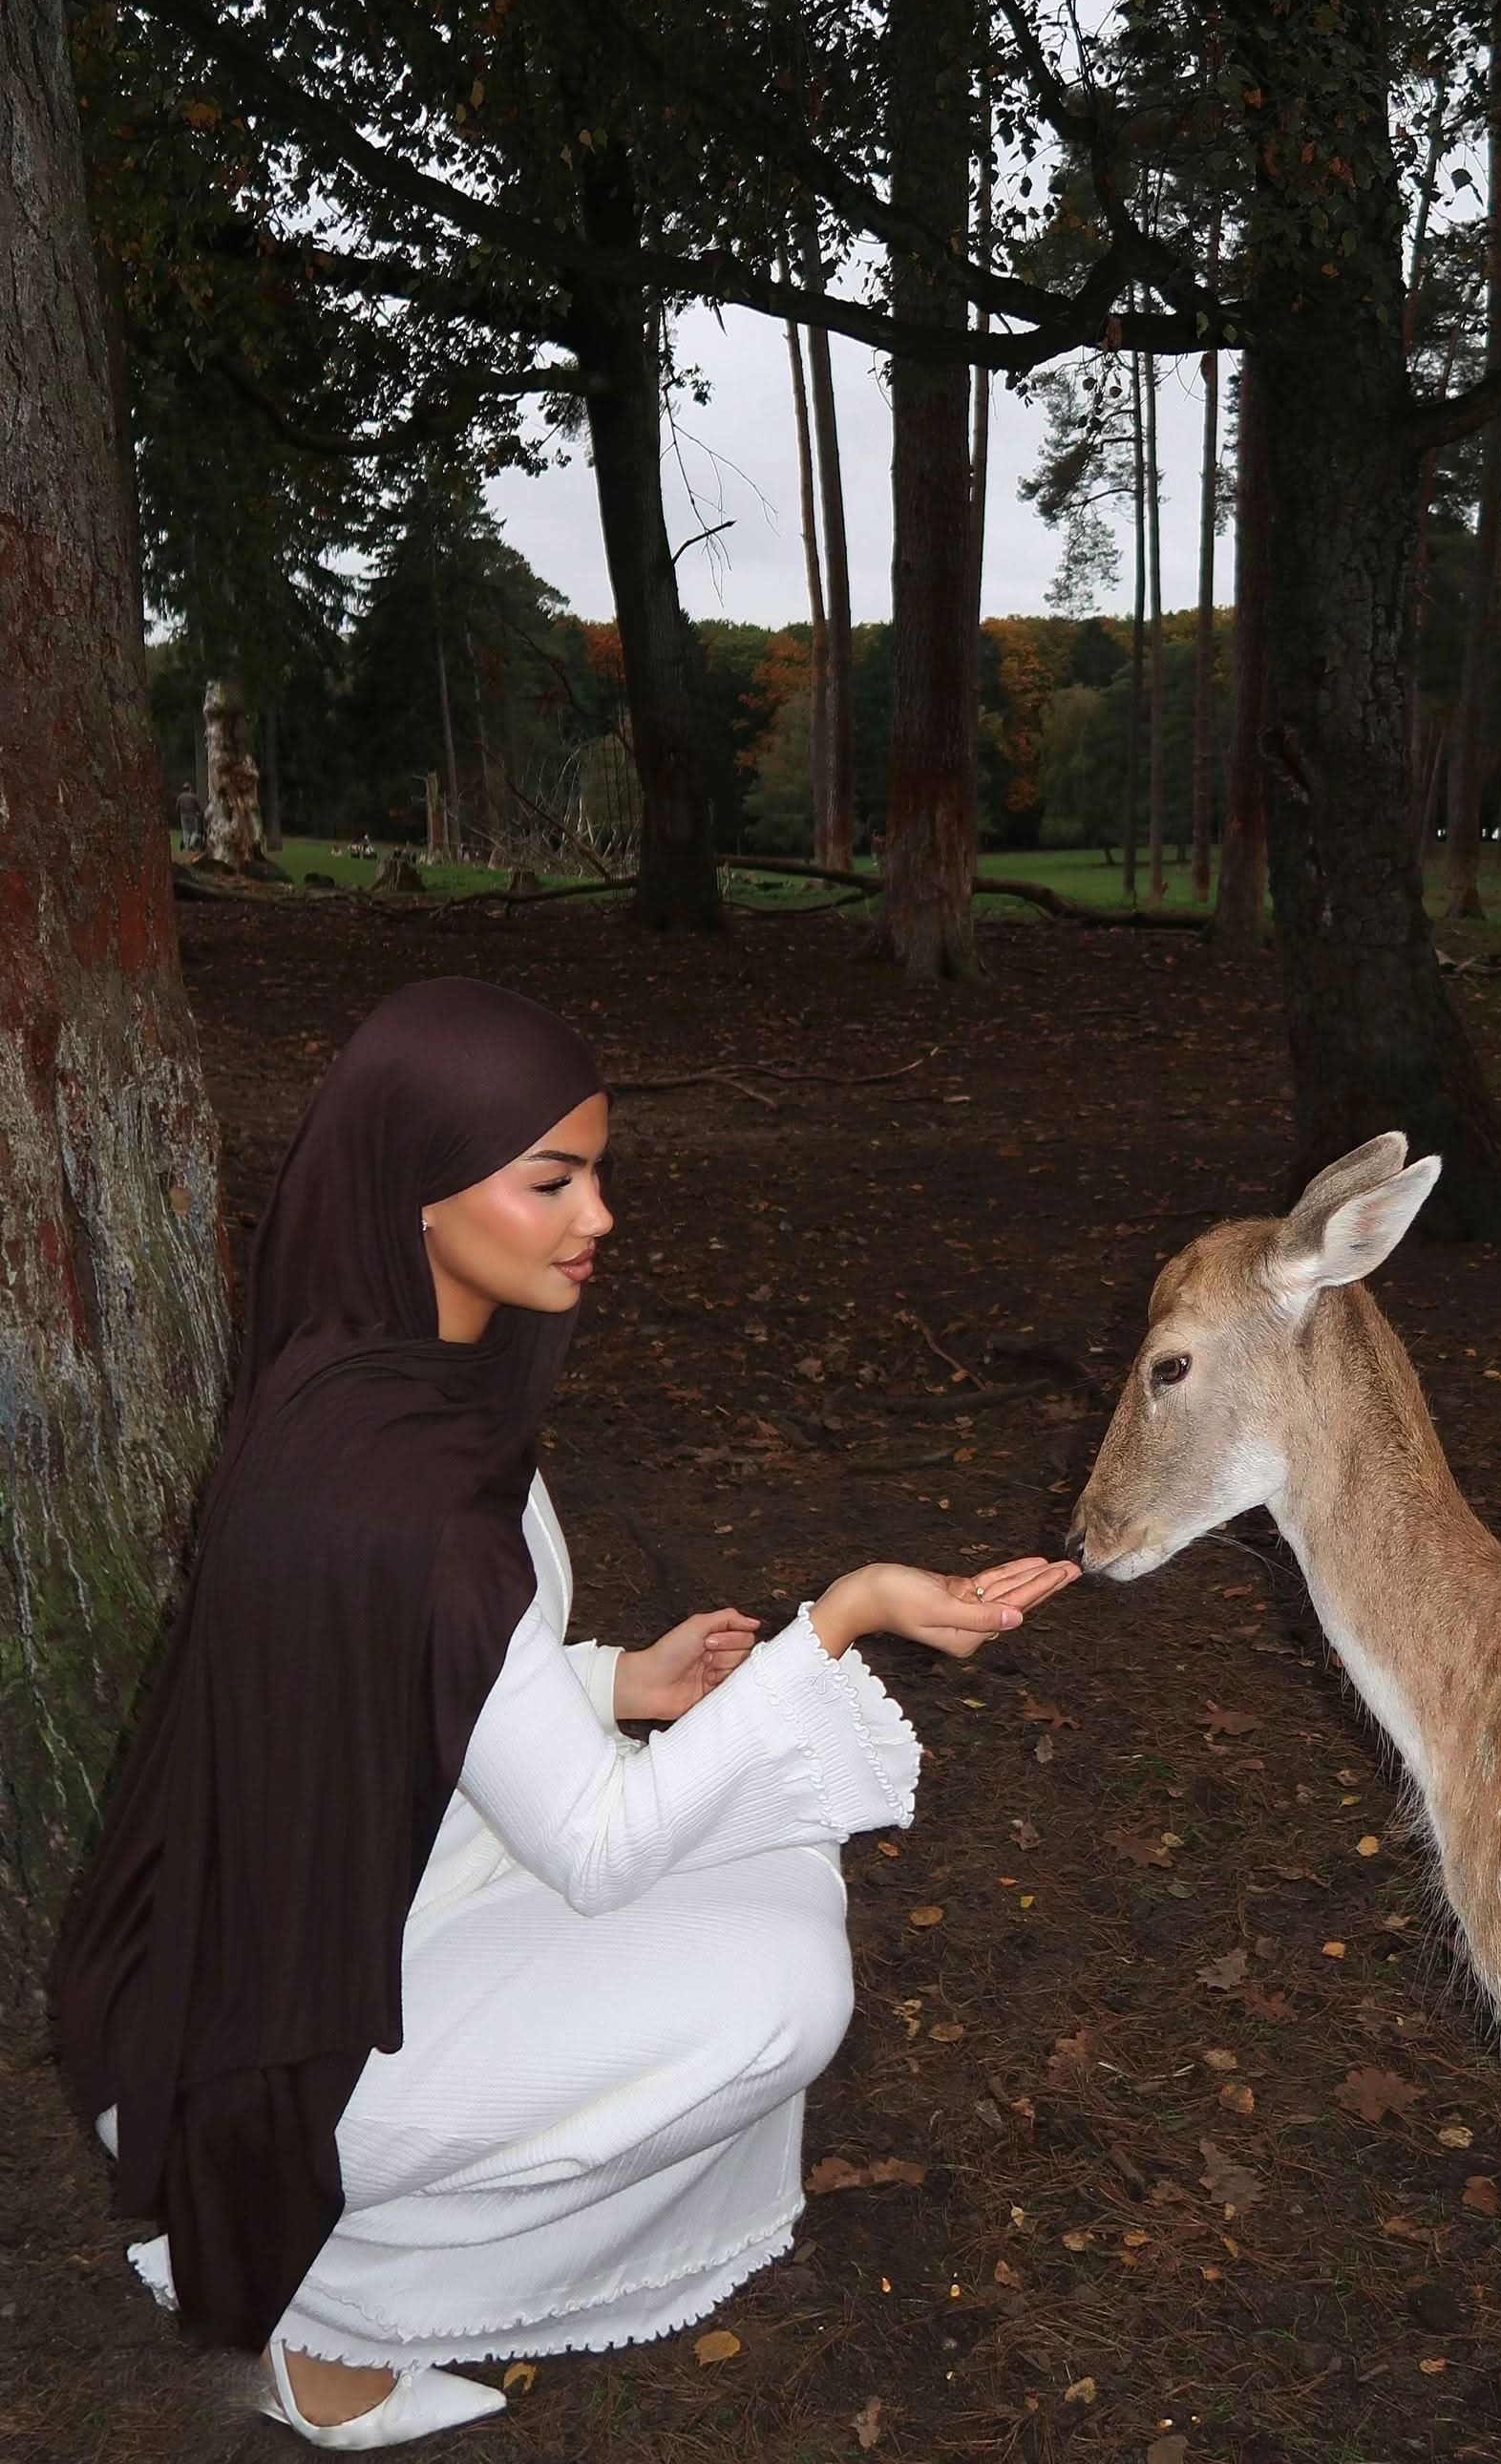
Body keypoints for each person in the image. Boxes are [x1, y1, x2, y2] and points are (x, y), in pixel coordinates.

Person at [49, 977, 1076, 2449]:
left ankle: (360, 2265)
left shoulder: (367, 1379)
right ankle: (335, 2307)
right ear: (417, 1195)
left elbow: (372, 1677)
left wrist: (615, 1683)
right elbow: (595, 1847)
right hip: (261, 2038)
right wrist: (837, 1619)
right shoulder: (397, 1479)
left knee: (777, 1869)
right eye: (552, 1181)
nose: (598, 1219)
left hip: (331, 1918)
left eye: (597, 1172)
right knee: (778, 1994)